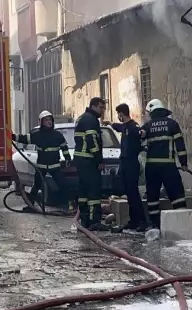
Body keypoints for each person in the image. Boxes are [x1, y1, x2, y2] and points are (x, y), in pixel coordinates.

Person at [141, 99, 188, 229]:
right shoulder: (172, 124)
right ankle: (182, 222)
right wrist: (184, 162)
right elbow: (180, 145)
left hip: (152, 167)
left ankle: (155, 225)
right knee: (176, 193)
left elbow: (138, 140)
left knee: (152, 196)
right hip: (168, 166)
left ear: (151, 112)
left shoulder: (147, 126)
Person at [11, 110, 71, 206]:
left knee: (63, 185)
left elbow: (64, 148)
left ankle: (70, 204)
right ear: (41, 122)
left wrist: (67, 158)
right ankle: (30, 205)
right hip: (41, 167)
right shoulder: (37, 135)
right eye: (46, 120)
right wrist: (11, 136)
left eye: (50, 120)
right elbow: (23, 138)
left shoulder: (58, 135)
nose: (49, 122)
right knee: (37, 185)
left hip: (55, 166)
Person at [111, 103, 147, 232]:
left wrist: (142, 133)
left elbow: (140, 134)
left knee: (133, 192)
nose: (118, 116)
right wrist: (110, 124)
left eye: (118, 114)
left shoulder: (133, 127)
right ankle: (133, 221)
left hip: (132, 163)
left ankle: (142, 221)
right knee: (129, 192)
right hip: (125, 163)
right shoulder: (125, 126)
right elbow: (118, 127)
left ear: (121, 114)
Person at [74, 97, 106, 230]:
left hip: (80, 160)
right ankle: (94, 221)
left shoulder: (82, 118)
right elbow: (92, 141)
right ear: (93, 106)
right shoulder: (91, 120)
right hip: (89, 160)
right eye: (101, 107)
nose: (103, 111)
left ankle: (85, 220)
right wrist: (99, 160)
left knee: (83, 192)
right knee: (93, 191)